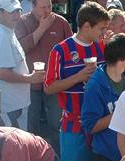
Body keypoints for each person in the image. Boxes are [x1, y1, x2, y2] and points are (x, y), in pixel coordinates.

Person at [44, 1, 108, 161]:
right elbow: (48, 87)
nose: (103, 33)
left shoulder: (102, 47)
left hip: (99, 125)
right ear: (87, 26)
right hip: (74, 126)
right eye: (101, 28)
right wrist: (78, 77)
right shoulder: (61, 50)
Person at [15, 0, 72, 151]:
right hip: (30, 84)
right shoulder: (22, 22)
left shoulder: (61, 22)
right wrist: (41, 28)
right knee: (30, 126)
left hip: (54, 84)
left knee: (56, 124)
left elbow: (71, 50)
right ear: (33, 6)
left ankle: (57, 160)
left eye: (49, 6)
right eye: (42, 8)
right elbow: (19, 49)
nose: (47, 11)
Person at [81, 33, 125, 161]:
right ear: (122, 58)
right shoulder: (95, 85)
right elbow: (90, 126)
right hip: (106, 156)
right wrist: (120, 112)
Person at [0, 0, 45, 130]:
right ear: (0, 12)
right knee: (10, 148)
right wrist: (30, 78)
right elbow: (0, 72)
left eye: (18, 11)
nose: (16, 15)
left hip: (13, 105)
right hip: (7, 107)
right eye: (11, 11)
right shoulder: (1, 35)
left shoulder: (8, 31)